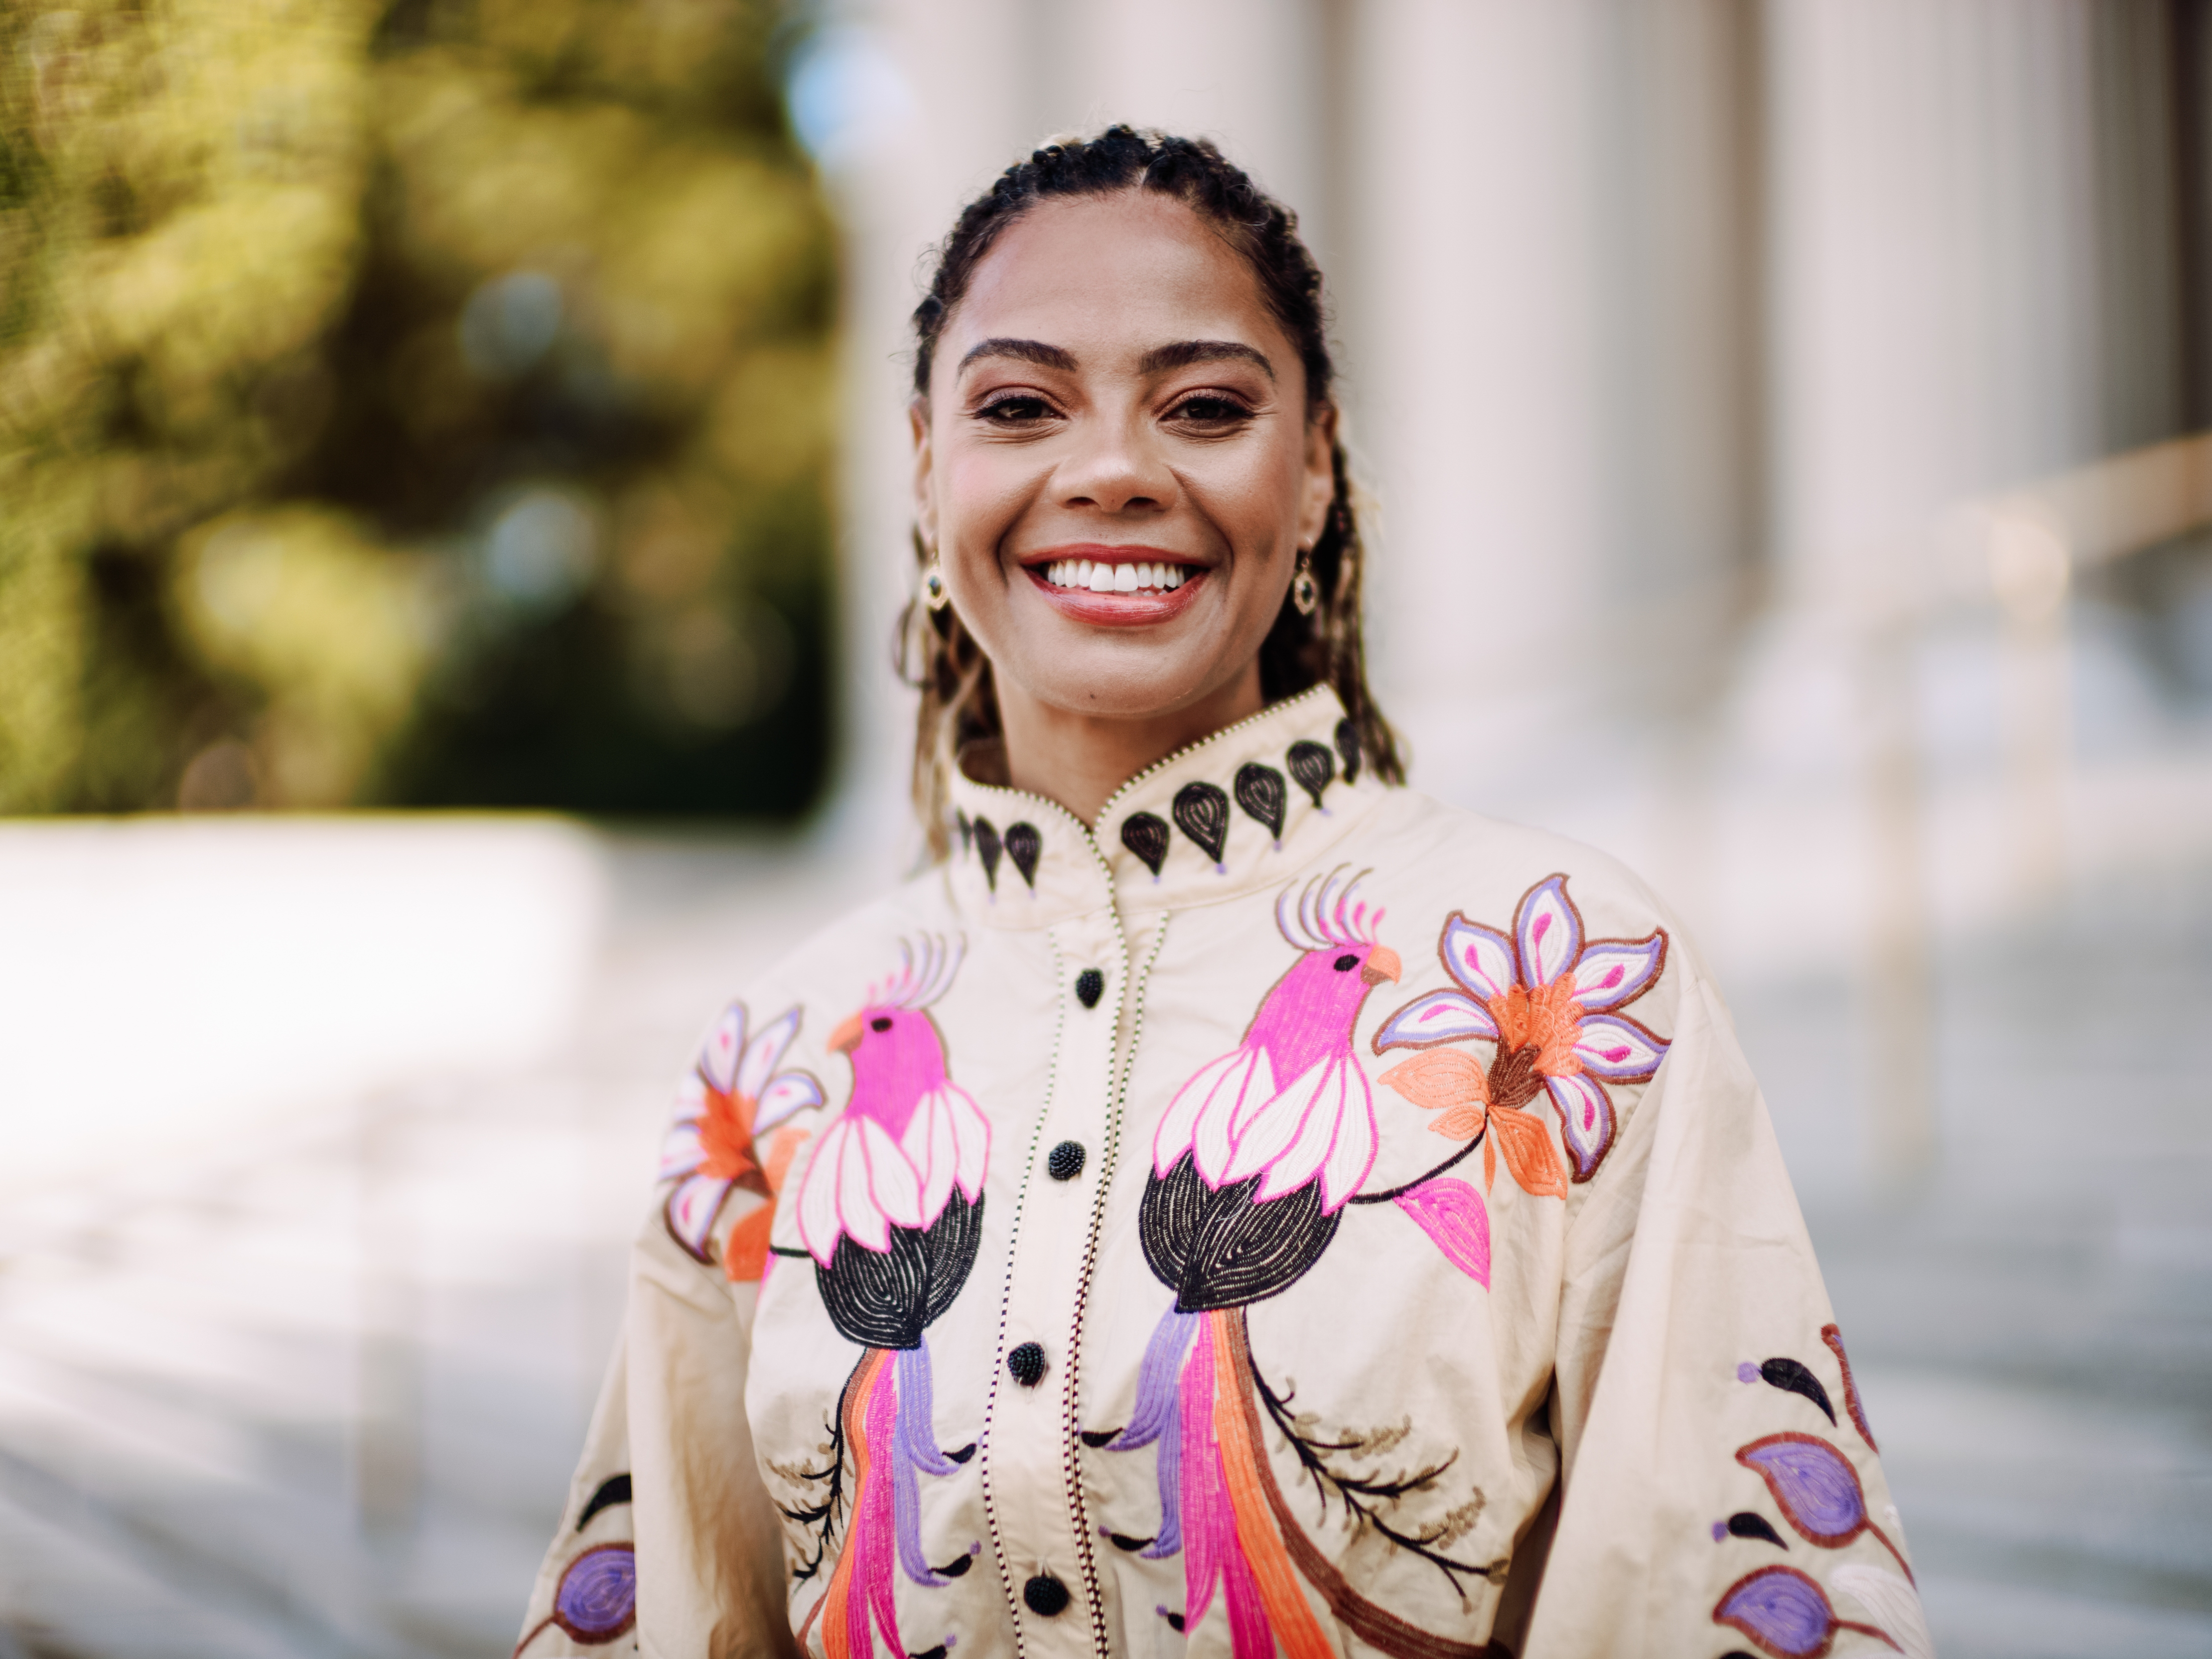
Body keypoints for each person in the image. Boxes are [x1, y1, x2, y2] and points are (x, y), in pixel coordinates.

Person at [516, 127, 1922, 1659]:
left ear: (1313, 470)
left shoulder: (1574, 980)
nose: (1114, 468)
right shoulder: (776, 1063)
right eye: (1018, 405)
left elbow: (1710, 1588)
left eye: (1203, 406)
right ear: (928, 475)